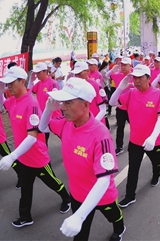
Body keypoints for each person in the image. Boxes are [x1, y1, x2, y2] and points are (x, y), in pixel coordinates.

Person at [39, 77, 125, 241]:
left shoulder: (100, 135)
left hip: (101, 195)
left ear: (85, 104)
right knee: (80, 235)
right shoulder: (66, 124)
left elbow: (104, 179)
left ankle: (120, 229)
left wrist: (78, 217)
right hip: (77, 193)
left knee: (114, 216)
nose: (62, 108)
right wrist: (48, 110)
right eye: (62, 102)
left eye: (68, 103)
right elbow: (43, 127)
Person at [0, 66, 71, 228]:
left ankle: (67, 198)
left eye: (11, 83)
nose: (8, 86)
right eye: (6, 83)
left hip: (37, 157)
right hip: (23, 157)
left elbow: (32, 136)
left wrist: (11, 156)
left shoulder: (31, 103)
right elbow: (1, 106)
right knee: (25, 188)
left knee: (52, 182)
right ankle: (25, 216)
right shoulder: (14, 100)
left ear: (22, 81)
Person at [109, 65, 160, 208]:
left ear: (148, 78)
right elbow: (112, 102)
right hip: (135, 140)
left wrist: (152, 137)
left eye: (140, 77)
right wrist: (120, 88)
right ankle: (130, 196)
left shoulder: (159, 94)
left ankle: (156, 174)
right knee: (133, 169)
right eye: (135, 77)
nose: (137, 80)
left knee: (156, 163)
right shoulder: (131, 93)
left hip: (154, 141)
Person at [29, 62, 61, 145]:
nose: (37, 75)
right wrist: (30, 81)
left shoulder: (53, 83)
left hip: (54, 116)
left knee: (63, 135)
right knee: (43, 139)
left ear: (45, 71)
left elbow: (56, 99)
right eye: (36, 73)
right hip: (43, 117)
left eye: (38, 73)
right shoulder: (39, 84)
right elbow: (28, 93)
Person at [105, 57, 132, 155]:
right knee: (120, 128)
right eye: (122, 65)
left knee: (134, 127)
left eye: (125, 65)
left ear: (130, 65)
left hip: (131, 108)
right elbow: (107, 75)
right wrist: (113, 69)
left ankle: (135, 143)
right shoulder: (117, 75)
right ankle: (119, 146)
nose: (123, 67)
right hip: (120, 107)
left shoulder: (134, 75)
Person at [70, 61, 108, 127]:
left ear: (87, 71)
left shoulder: (96, 86)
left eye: (79, 73)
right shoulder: (75, 86)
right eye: (75, 74)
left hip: (96, 124)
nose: (77, 76)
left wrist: (92, 123)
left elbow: (103, 110)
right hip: (81, 124)